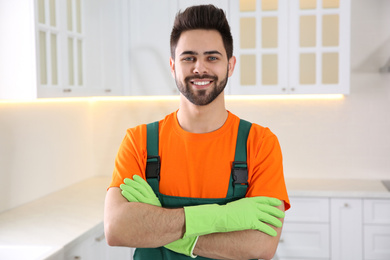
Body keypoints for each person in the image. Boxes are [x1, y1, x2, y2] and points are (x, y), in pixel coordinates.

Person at [104, 4, 290, 260]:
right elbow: (117, 229)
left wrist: (159, 224)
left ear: (230, 65)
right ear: (172, 66)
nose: (199, 68)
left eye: (212, 57)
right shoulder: (139, 142)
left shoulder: (259, 143)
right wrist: (222, 217)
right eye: (188, 57)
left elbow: (261, 245)